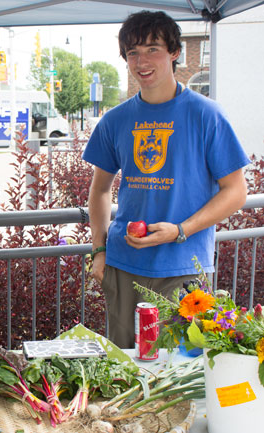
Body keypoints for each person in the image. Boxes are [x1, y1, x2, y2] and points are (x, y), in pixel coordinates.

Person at [82, 10, 251, 348]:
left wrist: (181, 230)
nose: (141, 61)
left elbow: (236, 192)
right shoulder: (115, 120)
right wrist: (99, 251)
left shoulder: (207, 115)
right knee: (125, 366)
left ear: (175, 52)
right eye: (132, 52)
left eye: (152, 49)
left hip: (184, 268)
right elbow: (99, 190)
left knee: (180, 371)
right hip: (124, 264)